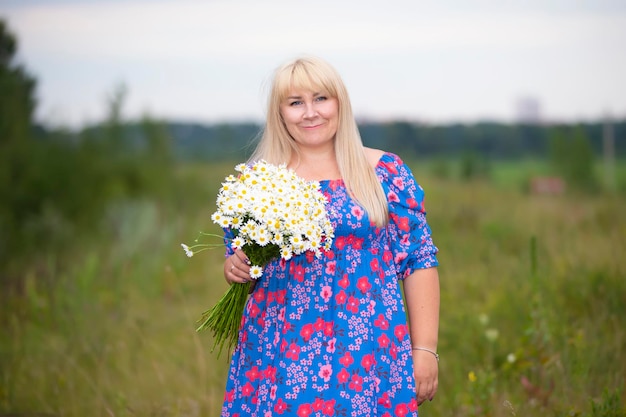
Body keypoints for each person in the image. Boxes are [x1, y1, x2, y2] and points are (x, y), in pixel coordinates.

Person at [222, 56, 440, 416]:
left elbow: (419, 262)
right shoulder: (257, 183)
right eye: (295, 103)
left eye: (321, 98)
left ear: (340, 102)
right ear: (280, 113)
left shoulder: (384, 172)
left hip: (369, 351)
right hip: (279, 353)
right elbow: (240, 264)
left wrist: (425, 349)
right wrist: (234, 267)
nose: (310, 112)